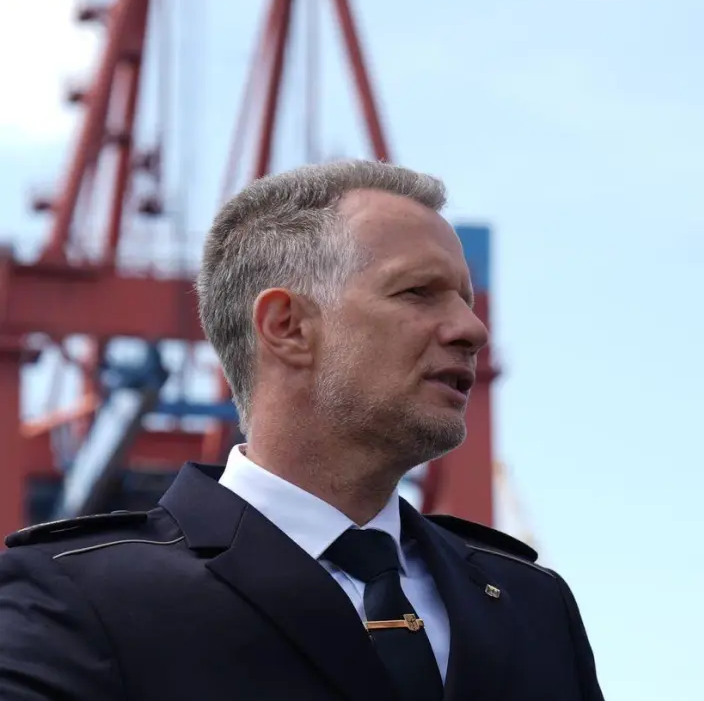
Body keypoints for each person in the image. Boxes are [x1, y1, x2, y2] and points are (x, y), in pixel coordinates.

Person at [0, 159, 605, 701]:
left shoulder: (536, 605)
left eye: (467, 301)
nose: (472, 330)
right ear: (286, 325)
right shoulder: (71, 594)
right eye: (419, 292)